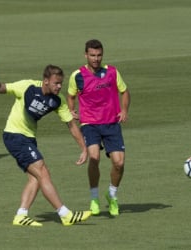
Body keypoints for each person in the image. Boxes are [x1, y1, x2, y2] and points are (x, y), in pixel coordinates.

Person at [0, 62, 91, 226]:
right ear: (46, 80)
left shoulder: (58, 100)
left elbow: (71, 125)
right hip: (14, 135)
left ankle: (21, 215)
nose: (59, 86)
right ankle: (65, 214)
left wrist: (83, 148)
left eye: (60, 83)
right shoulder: (27, 87)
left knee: (35, 178)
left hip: (29, 139)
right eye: (56, 83)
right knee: (42, 171)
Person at [67, 39, 131, 216]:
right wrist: (71, 111)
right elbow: (70, 96)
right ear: (85, 55)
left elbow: (124, 92)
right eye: (92, 55)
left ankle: (112, 195)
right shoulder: (77, 76)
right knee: (94, 157)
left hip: (111, 123)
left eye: (99, 55)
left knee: (119, 163)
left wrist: (124, 110)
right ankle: (94, 198)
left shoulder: (112, 72)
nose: (96, 59)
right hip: (90, 124)